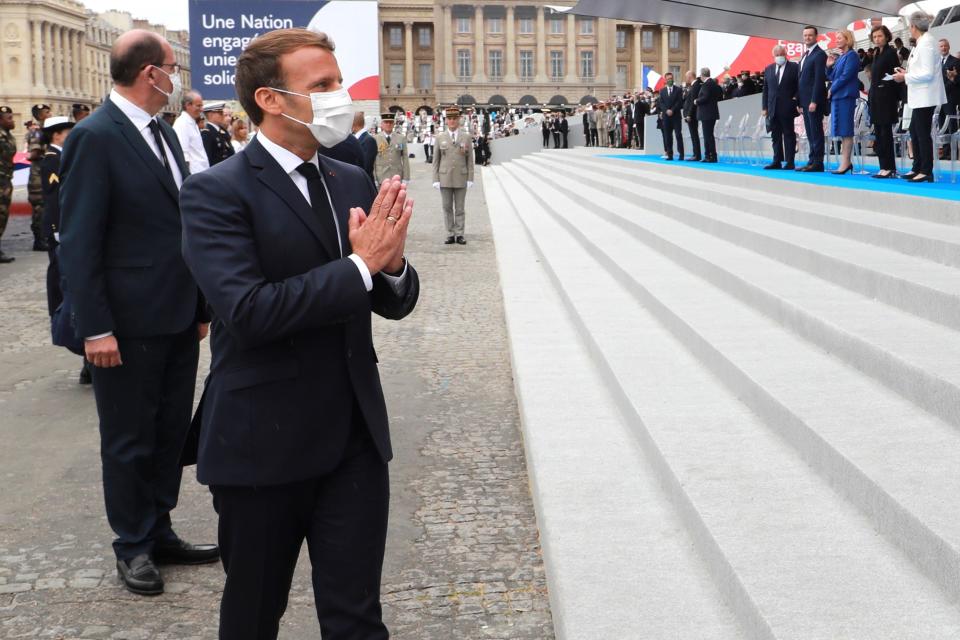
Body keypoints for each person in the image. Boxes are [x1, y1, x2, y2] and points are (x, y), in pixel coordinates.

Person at [179, 28, 420, 639]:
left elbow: (389, 299)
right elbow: (251, 311)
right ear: (272, 99)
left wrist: (391, 269)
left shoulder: (349, 179)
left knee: (358, 618)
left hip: (354, 439)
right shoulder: (215, 192)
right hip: (263, 442)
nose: (342, 94)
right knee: (256, 614)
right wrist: (362, 266)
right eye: (324, 85)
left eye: (338, 80)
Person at [58, 28, 218, 597]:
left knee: (169, 432)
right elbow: (78, 242)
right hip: (123, 325)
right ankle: (132, 544)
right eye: (174, 67)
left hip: (175, 316)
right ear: (151, 73)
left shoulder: (165, 135)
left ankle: (161, 527)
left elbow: (179, 230)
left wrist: (199, 305)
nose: (179, 78)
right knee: (128, 438)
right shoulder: (95, 136)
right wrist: (94, 326)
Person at [39, 116, 91, 384]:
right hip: (61, 230)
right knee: (68, 288)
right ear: (57, 135)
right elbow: (56, 198)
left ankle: (87, 360)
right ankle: (82, 352)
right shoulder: (52, 158)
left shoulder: (65, 155)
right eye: (68, 132)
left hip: (67, 230)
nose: (72, 135)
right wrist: (60, 229)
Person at [893, 12, 947, 182]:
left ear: (913, 27)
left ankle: (926, 170)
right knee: (915, 132)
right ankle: (917, 167)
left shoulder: (927, 43)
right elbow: (922, 70)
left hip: (926, 96)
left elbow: (928, 73)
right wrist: (907, 73)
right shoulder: (922, 42)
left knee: (922, 133)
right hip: (919, 96)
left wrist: (905, 77)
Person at [433, 106, 474, 245]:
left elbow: (470, 160)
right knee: (447, 207)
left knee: (460, 208)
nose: (452, 121)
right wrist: (435, 179)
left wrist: (470, 178)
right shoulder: (439, 137)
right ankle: (450, 233)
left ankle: (460, 234)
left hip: (461, 177)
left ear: (459, 120)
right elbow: (436, 160)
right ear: (446, 120)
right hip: (444, 177)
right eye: (449, 119)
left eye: (454, 118)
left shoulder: (466, 137)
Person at [868, 25, 901, 178]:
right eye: (874, 37)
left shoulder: (891, 52)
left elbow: (896, 74)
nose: (877, 39)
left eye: (880, 36)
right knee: (879, 133)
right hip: (875, 97)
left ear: (887, 37)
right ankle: (883, 166)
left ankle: (889, 167)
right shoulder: (876, 53)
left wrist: (884, 84)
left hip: (886, 98)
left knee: (885, 133)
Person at [826, 29, 860, 174]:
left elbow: (846, 76)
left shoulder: (852, 55)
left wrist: (832, 89)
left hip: (845, 96)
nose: (837, 40)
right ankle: (845, 161)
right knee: (841, 130)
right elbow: (833, 76)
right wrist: (828, 66)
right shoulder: (841, 57)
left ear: (847, 39)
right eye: (836, 38)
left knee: (846, 130)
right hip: (838, 97)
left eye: (840, 38)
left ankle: (846, 162)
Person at [762, 45, 800, 170]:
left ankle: (790, 161)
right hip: (772, 108)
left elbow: (799, 86)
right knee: (775, 136)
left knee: (789, 134)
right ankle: (776, 160)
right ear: (773, 56)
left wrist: (795, 99)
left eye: (781, 54)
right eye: (777, 55)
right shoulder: (768, 69)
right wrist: (764, 107)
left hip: (788, 107)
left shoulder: (794, 67)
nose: (779, 57)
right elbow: (766, 90)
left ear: (785, 54)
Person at [797, 26, 828, 172]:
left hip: (813, 101)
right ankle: (811, 160)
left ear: (816, 37)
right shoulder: (805, 55)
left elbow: (819, 79)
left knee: (816, 131)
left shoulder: (820, 54)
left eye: (810, 35)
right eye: (805, 35)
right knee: (809, 132)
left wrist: (814, 101)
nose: (807, 38)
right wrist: (799, 102)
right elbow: (800, 80)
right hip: (804, 101)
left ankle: (818, 162)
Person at [27, 103, 51, 251]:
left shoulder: (46, 131)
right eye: (47, 112)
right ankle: (39, 240)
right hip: (38, 173)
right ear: (40, 115)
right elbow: (34, 153)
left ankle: (44, 237)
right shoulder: (37, 133)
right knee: (39, 207)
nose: (50, 114)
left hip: (44, 171)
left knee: (45, 206)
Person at [173, 90, 209, 174]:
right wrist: (187, 176)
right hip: (193, 174)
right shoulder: (182, 124)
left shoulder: (192, 123)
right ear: (188, 105)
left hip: (201, 172)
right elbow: (183, 153)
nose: (201, 109)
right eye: (198, 106)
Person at [373, 112, 410, 185]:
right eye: (386, 122)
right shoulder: (375, 139)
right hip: (381, 176)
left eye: (390, 122)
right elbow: (373, 160)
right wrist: (374, 178)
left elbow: (405, 158)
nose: (388, 124)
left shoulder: (401, 138)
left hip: (396, 176)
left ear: (394, 124)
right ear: (382, 124)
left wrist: (406, 177)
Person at [695, 67, 723, 162]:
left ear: (702, 75)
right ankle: (711, 155)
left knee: (708, 136)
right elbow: (719, 96)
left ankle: (710, 156)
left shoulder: (706, 85)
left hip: (706, 113)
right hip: (712, 113)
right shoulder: (714, 84)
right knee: (709, 135)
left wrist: (696, 101)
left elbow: (705, 97)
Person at [0, 106, 15, 264]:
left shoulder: (8, 136)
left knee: (3, 215)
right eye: (9, 118)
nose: (12, 121)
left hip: (5, 180)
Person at [659, 73, 684, 161]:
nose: (670, 80)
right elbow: (661, 103)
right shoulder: (662, 91)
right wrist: (666, 110)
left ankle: (681, 154)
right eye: (668, 79)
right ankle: (670, 154)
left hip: (676, 116)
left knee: (678, 135)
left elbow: (679, 102)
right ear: (665, 80)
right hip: (666, 117)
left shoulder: (678, 90)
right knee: (668, 136)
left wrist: (672, 110)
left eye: (671, 78)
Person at [201, 101, 235, 167]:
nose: (222, 115)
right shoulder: (207, 133)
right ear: (211, 115)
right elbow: (208, 157)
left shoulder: (222, 131)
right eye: (220, 113)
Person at [939, 39, 960, 150]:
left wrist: (953, 78)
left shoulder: (956, 61)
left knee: (951, 124)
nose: (943, 48)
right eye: (941, 46)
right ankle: (946, 150)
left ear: (949, 47)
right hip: (939, 99)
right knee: (942, 123)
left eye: (945, 46)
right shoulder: (936, 62)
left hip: (951, 98)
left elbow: (957, 79)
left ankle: (953, 151)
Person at [682, 70, 702, 161]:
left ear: (690, 76)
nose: (686, 79)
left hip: (692, 116)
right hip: (690, 115)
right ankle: (695, 154)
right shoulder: (693, 86)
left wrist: (689, 114)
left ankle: (697, 155)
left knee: (694, 135)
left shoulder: (696, 86)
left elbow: (693, 102)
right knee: (693, 135)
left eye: (687, 76)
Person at [352, 111, 377, 181]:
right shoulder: (356, 139)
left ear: (353, 124)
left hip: (364, 182)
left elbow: (366, 167)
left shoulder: (369, 140)